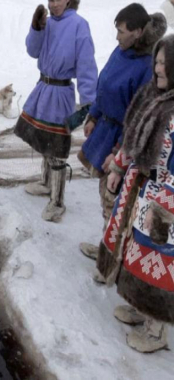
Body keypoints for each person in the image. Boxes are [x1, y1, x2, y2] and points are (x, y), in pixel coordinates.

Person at [97, 33, 174, 354]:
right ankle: (142, 309)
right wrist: (119, 167)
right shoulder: (157, 97)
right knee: (135, 251)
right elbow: (135, 139)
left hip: (165, 201)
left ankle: (157, 331)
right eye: (156, 61)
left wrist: (165, 207)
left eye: (163, 63)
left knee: (159, 261)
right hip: (143, 188)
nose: (156, 68)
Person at [78, 5, 166, 260]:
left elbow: (137, 117)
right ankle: (107, 245)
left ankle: (113, 257)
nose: (117, 36)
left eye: (122, 31)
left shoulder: (145, 68)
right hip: (105, 129)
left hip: (122, 139)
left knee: (114, 198)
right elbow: (104, 84)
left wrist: (118, 153)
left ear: (138, 32)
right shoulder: (121, 51)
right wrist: (94, 114)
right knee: (105, 194)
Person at [15, 0, 97, 222]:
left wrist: (88, 102)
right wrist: (37, 27)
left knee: (57, 148)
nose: (54, 4)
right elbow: (32, 51)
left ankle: (58, 201)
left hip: (61, 92)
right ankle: (45, 182)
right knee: (42, 140)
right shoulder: (48, 23)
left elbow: (86, 65)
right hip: (43, 87)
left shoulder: (80, 25)